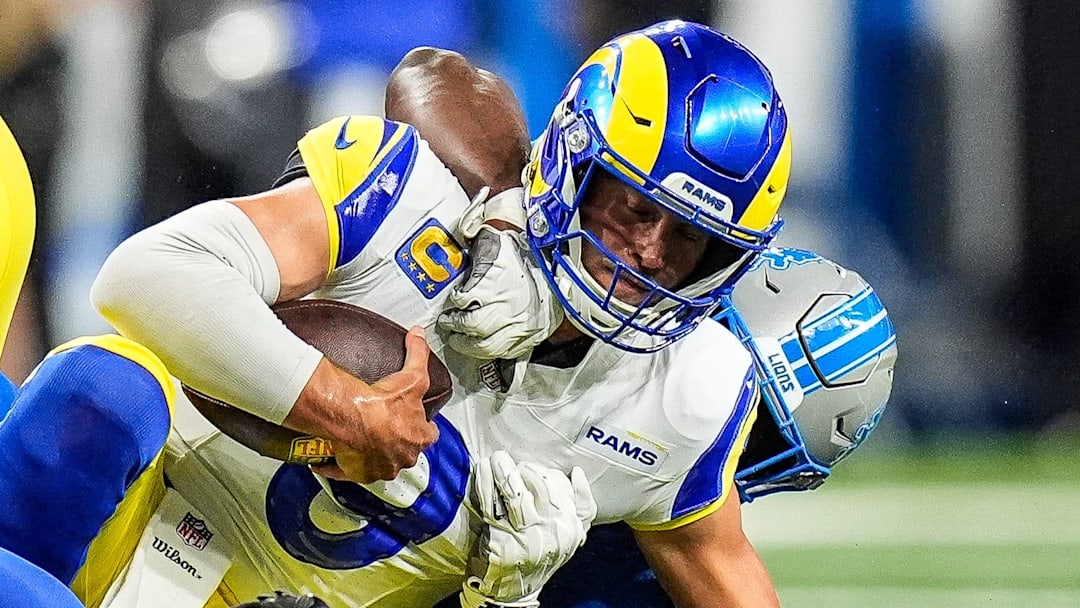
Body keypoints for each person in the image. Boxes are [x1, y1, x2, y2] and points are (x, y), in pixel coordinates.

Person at [89, 20, 790, 607]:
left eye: (691, 239)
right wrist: (344, 407)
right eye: (636, 207)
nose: (647, 253)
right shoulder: (430, 207)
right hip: (163, 515)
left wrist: (504, 600)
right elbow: (436, 76)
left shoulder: (689, 400)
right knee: (94, 388)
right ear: (576, 162)